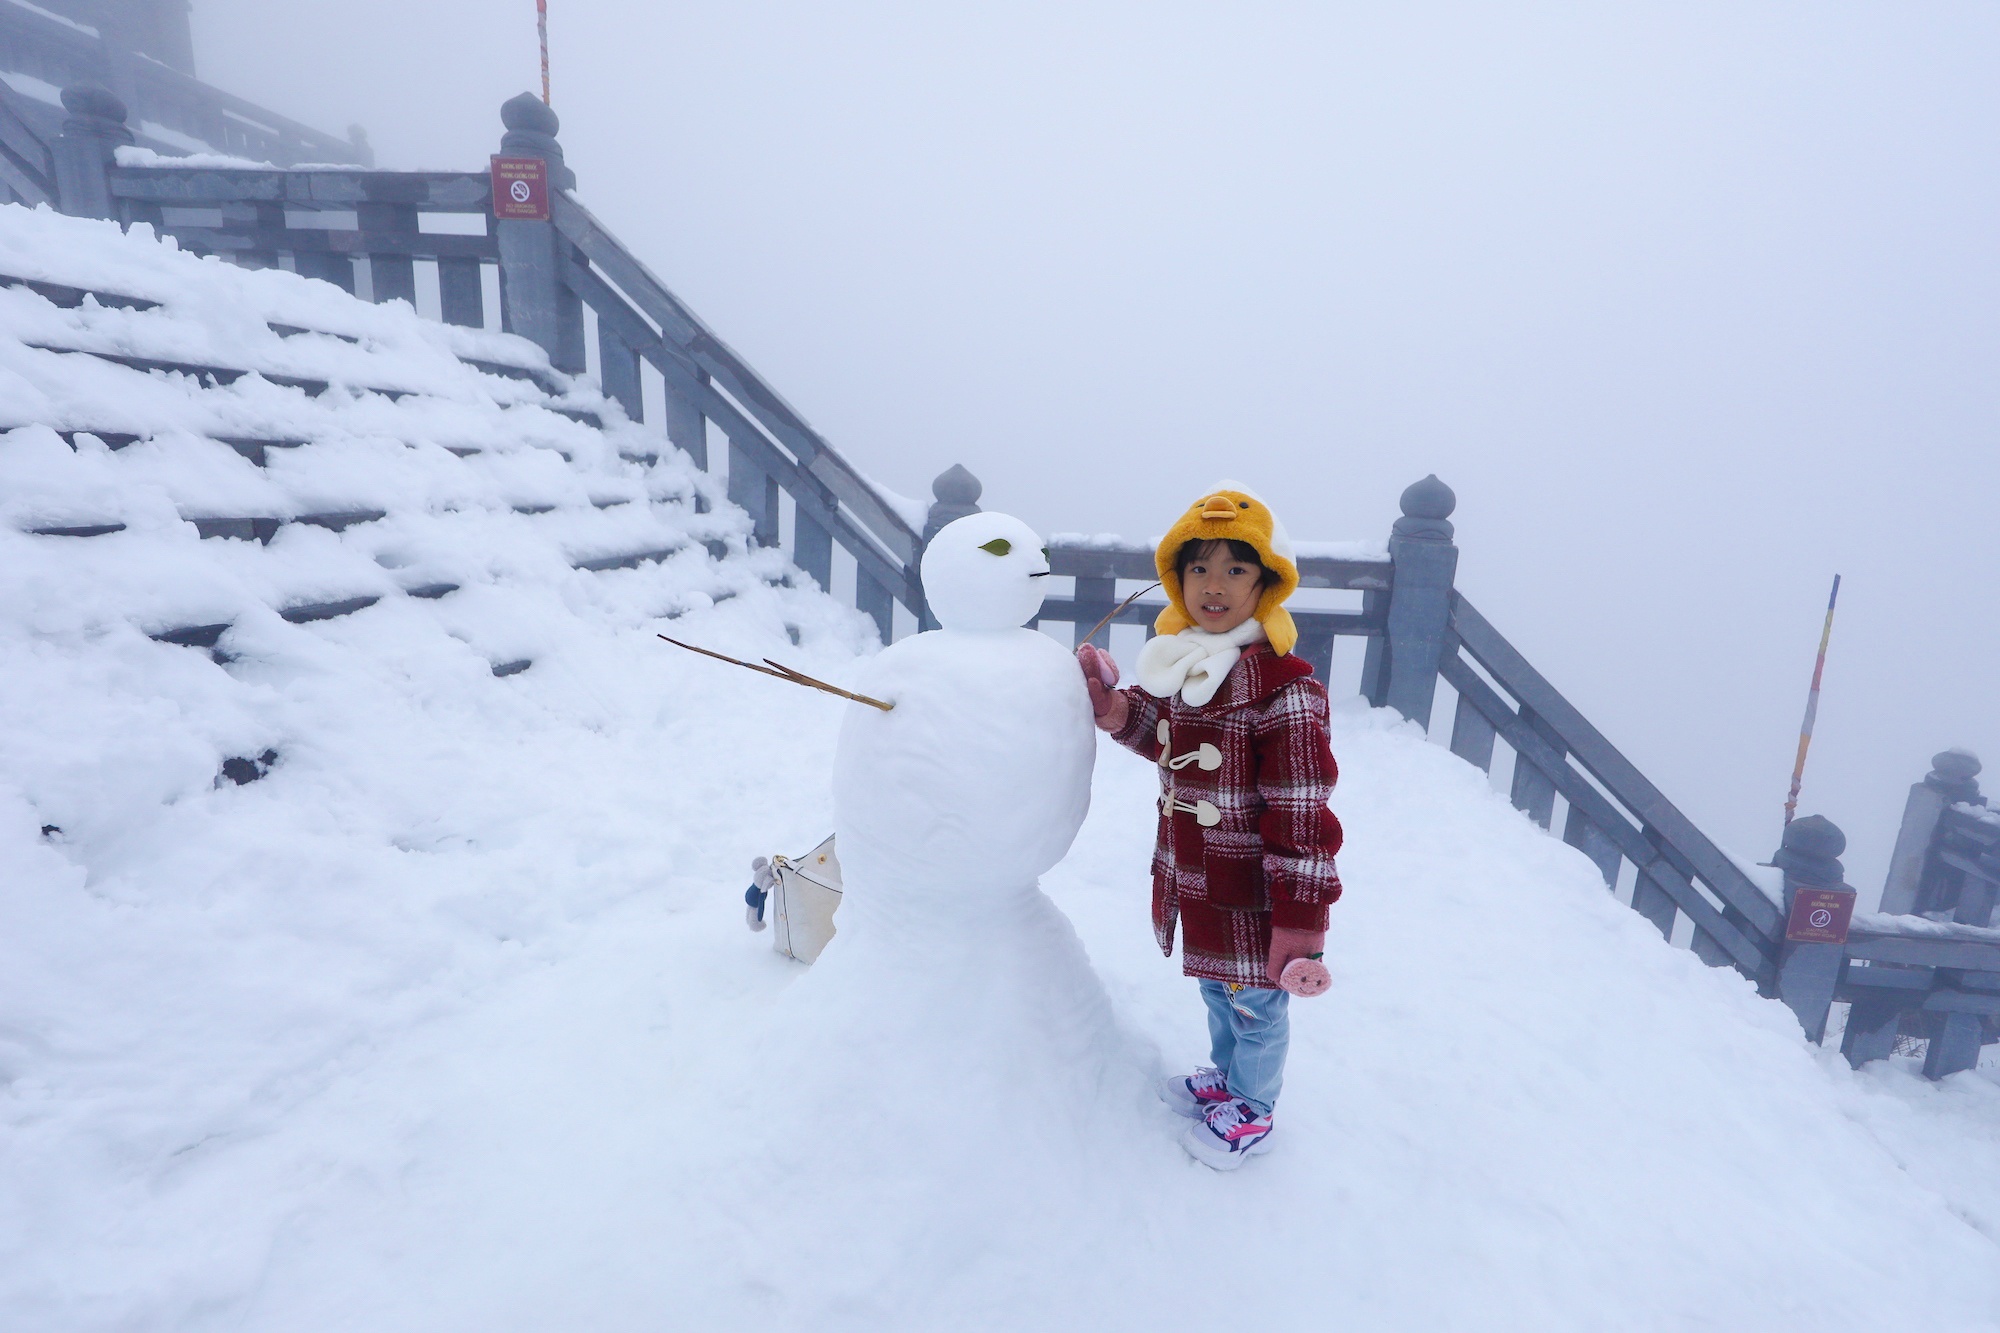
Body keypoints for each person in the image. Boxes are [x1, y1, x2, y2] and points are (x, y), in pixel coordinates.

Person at [1076, 483, 1343, 1170]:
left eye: (1235, 568)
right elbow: (1165, 733)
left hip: (1256, 892)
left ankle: (1253, 1109)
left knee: (1257, 1006)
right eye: (1198, 568)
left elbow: (1303, 812)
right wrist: (1114, 708)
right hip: (1200, 878)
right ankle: (1228, 1079)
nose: (1213, 585)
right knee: (1219, 991)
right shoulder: (1190, 667)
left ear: (1266, 585)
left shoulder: (1284, 691)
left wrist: (1301, 920)